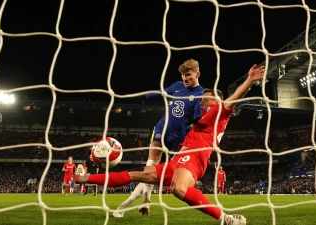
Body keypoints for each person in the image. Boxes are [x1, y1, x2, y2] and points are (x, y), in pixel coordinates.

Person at [75, 64, 265, 225]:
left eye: (204, 98)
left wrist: (250, 80)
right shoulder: (199, 116)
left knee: (178, 189)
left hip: (195, 157)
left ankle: (226, 219)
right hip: (179, 159)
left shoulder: (219, 111)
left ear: (215, 99)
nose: (200, 101)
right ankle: (84, 178)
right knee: (135, 175)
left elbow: (235, 98)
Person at [113, 59, 204, 217]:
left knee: (156, 172)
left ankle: (133, 203)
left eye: (188, 75)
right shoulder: (177, 86)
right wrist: (142, 96)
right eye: (183, 75)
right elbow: (161, 92)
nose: (185, 78)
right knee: (151, 164)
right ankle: (142, 201)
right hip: (163, 127)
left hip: (181, 135)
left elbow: (197, 119)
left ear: (197, 74)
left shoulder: (200, 94)